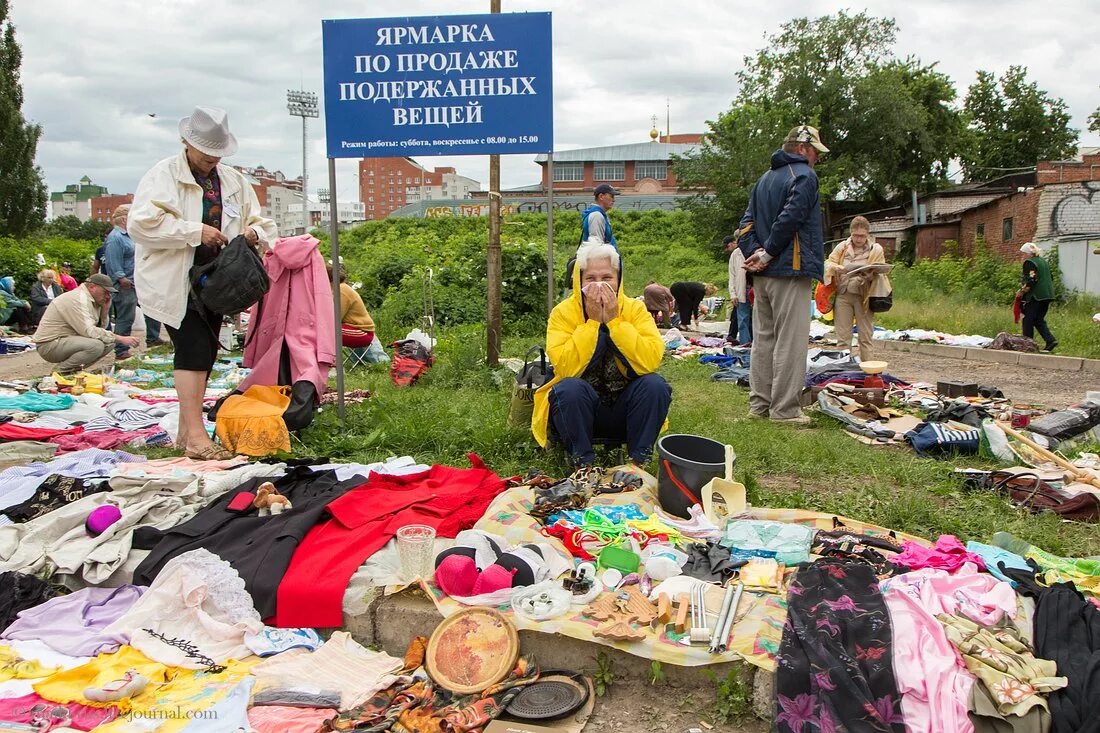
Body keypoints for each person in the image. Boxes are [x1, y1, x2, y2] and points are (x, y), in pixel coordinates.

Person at [128, 105, 276, 460]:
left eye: (217, 154)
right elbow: (141, 224)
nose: (211, 160)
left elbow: (263, 222)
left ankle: (185, 431)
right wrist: (194, 231)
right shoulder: (162, 175)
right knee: (193, 348)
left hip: (216, 282)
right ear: (185, 143)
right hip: (176, 280)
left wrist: (254, 232)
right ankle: (196, 437)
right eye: (205, 153)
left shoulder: (234, 182)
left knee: (206, 350)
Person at [532, 243, 670, 468]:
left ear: (619, 279)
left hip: (625, 409)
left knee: (655, 385)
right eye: (590, 278)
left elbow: (650, 361)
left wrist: (615, 322)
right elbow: (565, 367)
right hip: (579, 411)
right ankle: (583, 464)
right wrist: (593, 323)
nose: (599, 285)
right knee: (568, 388)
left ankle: (638, 464)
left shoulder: (635, 309)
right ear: (578, 280)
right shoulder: (563, 313)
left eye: (607, 277)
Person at [738, 124, 828, 424]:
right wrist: (767, 253)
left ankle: (759, 407)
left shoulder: (764, 180)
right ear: (802, 148)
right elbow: (791, 218)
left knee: (763, 339)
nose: (817, 158)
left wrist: (755, 253)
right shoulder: (805, 176)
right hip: (789, 269)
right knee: (791, 341)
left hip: (763, 275)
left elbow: (746, 224)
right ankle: (785, 411)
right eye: (815, 151)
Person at [32, 274, 138, 374]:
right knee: (96, 346)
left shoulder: (93, 299)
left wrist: (105, 311)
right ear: (92, 287)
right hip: (49, 344)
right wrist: (121, 338)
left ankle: (74, 370)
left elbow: (99, 329)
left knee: (108, 342)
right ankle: (61, 372)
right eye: (105, 292)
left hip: (65, 340)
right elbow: (89, 331)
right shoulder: (78, 299)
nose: (108, 296)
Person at [823, 216, 887, 362]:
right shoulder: (842, 247)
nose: (859, 239)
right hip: (843, 295)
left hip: (864, 296)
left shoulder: (875, 249)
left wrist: (870, 273)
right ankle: (843, 370)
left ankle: (868, 372)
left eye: (862, 236)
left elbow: (881, 269)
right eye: (856, 235)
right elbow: (828, 263)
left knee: (865, 337)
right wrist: (838, 268)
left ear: (868, 235)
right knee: (843, 338)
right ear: (850, 233)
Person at [103, 204, 163, 357]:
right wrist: (121, 278)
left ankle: (153, 338)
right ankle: (121, 350)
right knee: (126, 317)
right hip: (126, 284)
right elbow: (112, 261)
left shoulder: (131, 236)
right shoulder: (115, 238)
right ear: (124, 219)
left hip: (139, 282)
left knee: (153, 310)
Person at [1017, 242, 1057, 352]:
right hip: (1048, 295)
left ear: (1028, 254)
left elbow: (1032, 280)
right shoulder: (1043, 262)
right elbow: (1051, 277)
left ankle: (1028, 345)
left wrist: (1022, 291)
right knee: (1038, 319)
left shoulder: (1029, 263)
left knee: (1028, 320)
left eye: (1023, 253)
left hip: (1036, 296)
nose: (1022, 256)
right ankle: (1050, 341)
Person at [333, 266, 376, 352]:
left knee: (323, 330)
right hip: (353, 329)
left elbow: (336, 317)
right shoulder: (340, 288)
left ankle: (328, 361)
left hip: (362, 333)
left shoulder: (341, 290)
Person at [725, 235, 752, 345]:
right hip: (742, 290)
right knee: (743, 319)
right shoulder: (736, 254)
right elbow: (732, 275)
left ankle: (757, 343)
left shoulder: (756, 250)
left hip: (755, 290)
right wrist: (733, 294)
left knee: (757, 319)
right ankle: (745, 343)